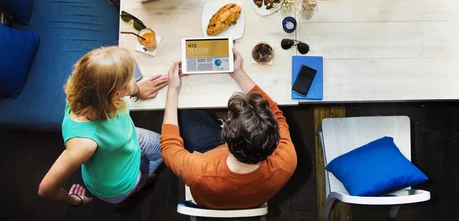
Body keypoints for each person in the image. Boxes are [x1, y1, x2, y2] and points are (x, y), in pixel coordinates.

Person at [160, 49, 297, 209]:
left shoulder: (200, 171)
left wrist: (172, 89)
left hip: (211, 168)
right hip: (254, 194)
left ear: (224, 134)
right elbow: (276, 113)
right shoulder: (287, 159)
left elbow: (169, 147)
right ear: (274, 138)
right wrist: (238, 73)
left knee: (186, 111)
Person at [38, 46, 168, 206]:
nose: (133, 82)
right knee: (155, 167)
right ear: (115, 94)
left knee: (165, 146)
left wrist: (138, 90)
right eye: (127, 81)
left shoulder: (87, 88)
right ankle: (135, 193)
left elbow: (127, 84)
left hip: (127, 141)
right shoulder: (83, 144)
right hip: (119, 183)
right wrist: (75, 200)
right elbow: (46, 189)